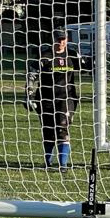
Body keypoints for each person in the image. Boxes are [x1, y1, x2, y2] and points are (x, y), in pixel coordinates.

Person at [29, 29, 80, 171]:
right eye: (58, 39)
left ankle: (63, 164)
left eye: (63, 39)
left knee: (62, 127)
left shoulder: (72, 54)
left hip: (66, 97)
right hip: (45, 98)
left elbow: (87, 67)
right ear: (54, 39)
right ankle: (48, 161)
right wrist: (29, 93)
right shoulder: (44, 55)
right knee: (48, 131)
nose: (61, 42)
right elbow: (32, 74)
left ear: (67, 39)